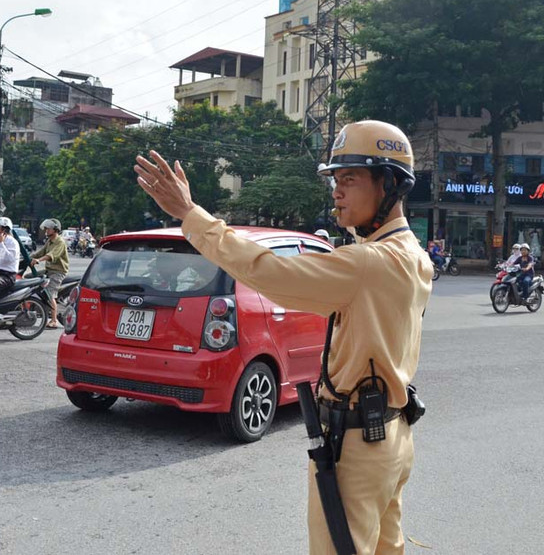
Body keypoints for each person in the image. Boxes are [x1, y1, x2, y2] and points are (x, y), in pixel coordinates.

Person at [135, 119, 431, 555]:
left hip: (357, 444)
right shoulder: (413, 256)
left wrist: (190, 215)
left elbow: (268, 272)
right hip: (391, 436)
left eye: (349, 179)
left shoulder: (367, 263)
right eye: (335, 179)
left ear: (387, 183)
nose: (336, 191)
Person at [30, 218, 69, 329]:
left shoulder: (60, 242)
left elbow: (52, 255)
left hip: (58, 272)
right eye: (45, 228)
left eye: (48, 228)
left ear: (55, 229)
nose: (46, 230)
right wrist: (27, 257)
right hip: (49, 270)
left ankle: (54, 320)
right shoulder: (49, 241)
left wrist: (39, 260)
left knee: (49, 293)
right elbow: (40, 252)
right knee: (29, 278)